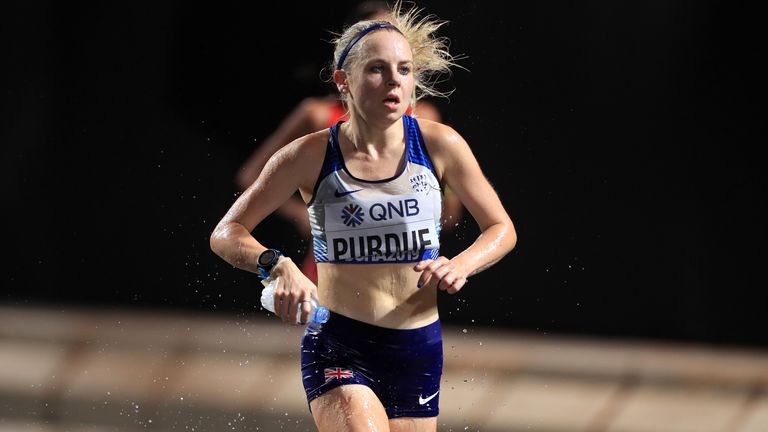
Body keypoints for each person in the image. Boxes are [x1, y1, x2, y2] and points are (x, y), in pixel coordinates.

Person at [210, 1, 516, 430]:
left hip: (418, 346)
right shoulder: (308, 154)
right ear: (344, 81)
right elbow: (227, 232)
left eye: (404, 70)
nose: (394, 80)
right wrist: (276, 265)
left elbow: (501, 227)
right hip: (340, 343)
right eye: (377, 69)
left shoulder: (440, 143)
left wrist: (461, 262)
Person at [235, 0, 463, 285]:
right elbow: (249, 177)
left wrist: (449, 196)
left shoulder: (426, 120)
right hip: (330, 275)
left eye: (396, 34)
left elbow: (455, 213)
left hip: (401, 284)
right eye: (375, 35)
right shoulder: (317, 115)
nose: (388, 41)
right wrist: (298, 215)